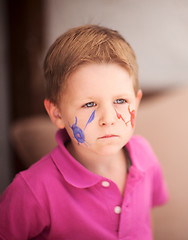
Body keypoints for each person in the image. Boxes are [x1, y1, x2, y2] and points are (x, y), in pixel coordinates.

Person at [0, 25, 168, 240]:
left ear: (136, 103)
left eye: (120, 101)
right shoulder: (32, 189)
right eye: (89, 104)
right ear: (57, 113)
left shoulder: (144, 155)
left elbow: (145, 221)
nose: (108, 119)